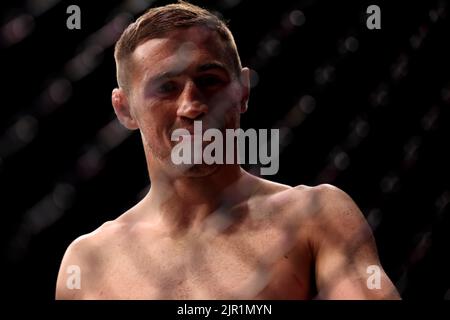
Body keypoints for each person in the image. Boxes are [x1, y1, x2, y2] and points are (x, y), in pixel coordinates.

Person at [55, 1, 400, 299]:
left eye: (209, 80)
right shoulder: (89, 261)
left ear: (242, 91)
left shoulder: (313, 217)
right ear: (125, 109)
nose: (192, 106)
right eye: (166, 88)